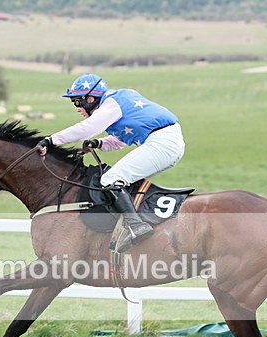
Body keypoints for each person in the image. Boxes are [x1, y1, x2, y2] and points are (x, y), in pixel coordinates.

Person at [36, 73, 185, 251]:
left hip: (163, 143)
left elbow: (87, 128)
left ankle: (136, 227)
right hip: (167, 142)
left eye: (77, 102)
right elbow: (120, 140)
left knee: (110, 180)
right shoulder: (115, 103)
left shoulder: (111, 104)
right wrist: (99, 143)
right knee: (123, 182)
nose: (77, 108)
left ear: (90, 98)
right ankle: (135, 223)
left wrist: (51, 140)